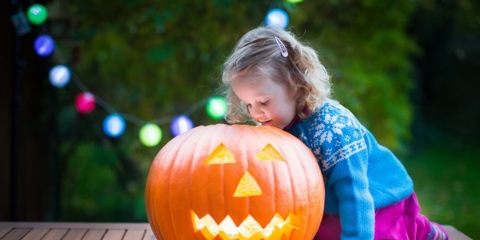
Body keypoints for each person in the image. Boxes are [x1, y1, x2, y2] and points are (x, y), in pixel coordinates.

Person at [220, 26, 449, 240]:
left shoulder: (332, 128)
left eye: (263, 101)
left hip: (377, 200)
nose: (256, 113)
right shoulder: (274, 126)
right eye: (248, 104)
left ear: (293, 83)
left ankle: (422, 229)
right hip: (329, 208)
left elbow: (355, 194)